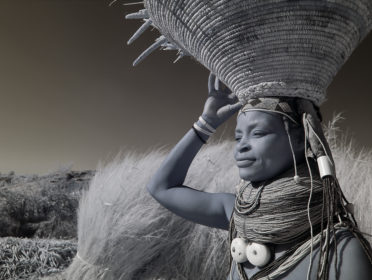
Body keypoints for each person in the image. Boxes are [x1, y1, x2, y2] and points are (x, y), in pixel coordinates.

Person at [146, 73, 372, 280]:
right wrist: (206, 123)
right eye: (238, 137)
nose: (242, 146)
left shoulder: (342, 251)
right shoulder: (237, 214)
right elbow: (161, 188)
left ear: (301, 140)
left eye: (258, 133)